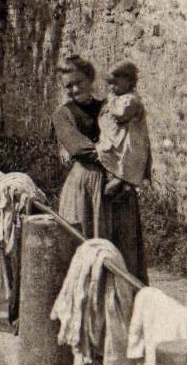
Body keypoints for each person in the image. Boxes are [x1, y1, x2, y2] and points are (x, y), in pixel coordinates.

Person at [52, 55, 148, 283]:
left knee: (124, 249)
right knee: (85, 247)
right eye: (68, 86)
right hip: (85, 186)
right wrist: (115, 162)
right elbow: (79, 148)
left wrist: (127, 170)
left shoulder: (111, 107)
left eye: (79, 82)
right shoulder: (63, 115)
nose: (74, 89)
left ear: (91, 79)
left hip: (117, 185)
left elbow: (133, 134)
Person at [97, 60, 152, 200]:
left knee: (126, 161)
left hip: (132, 139)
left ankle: (121, 182)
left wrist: (111, 101)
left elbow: (121, 114)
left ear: (128, 81)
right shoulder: (122, 98)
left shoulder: (131, 100)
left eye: (115, 83)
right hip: (123, 136)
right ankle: (120, 185)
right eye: (109, 84)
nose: (111, 88)